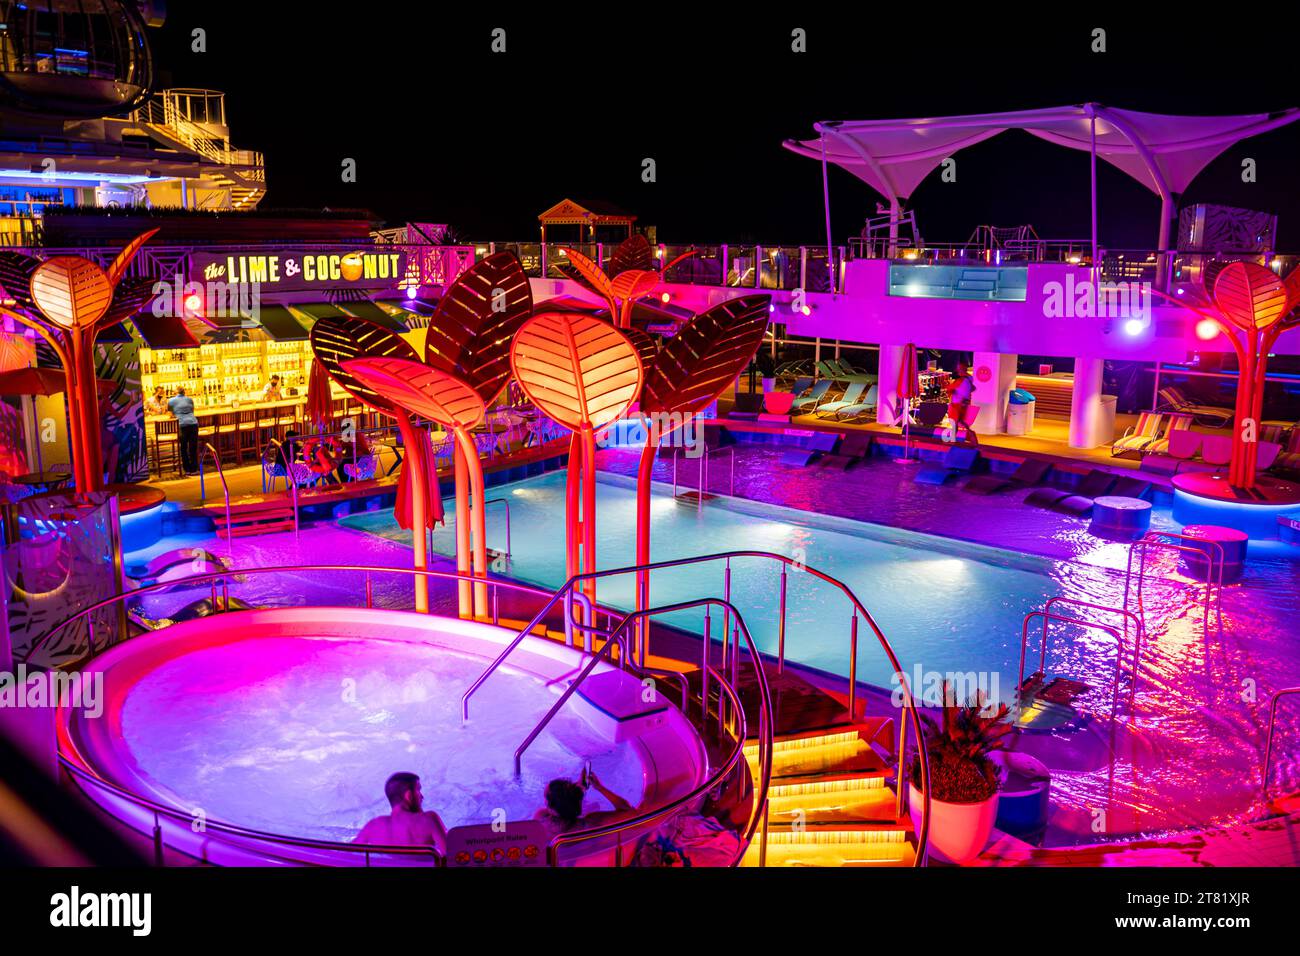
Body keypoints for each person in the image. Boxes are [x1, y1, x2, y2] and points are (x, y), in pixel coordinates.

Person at [354, 772, 448, 856]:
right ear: (409, 796)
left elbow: (346, 854)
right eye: (418, 790)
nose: (422, 796)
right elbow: (451, 856)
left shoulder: (373, 826)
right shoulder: (429, 819)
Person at [535, 767, 633, 837]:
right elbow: (627, 810)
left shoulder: (541, 819)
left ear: (552, 809)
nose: (544, 802)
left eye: (546, 799)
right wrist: (600, 787)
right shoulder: (588, 825)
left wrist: (578, 789)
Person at [168, 386, 199, 475]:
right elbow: (192, 411)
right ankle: (194, 469)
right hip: (193, 423)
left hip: (182, 425)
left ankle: (187, 469)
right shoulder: (190, 399)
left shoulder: (171, 401)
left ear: (175, 393)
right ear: (184, 392)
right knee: (193, 447)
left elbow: (170, 414)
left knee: (184, 448)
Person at [944, 361, 976, 442]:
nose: (957, 370)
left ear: (962, 369)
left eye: (959, 369)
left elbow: (949, 388)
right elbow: (973, 388)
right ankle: (969, 433)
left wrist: (947, 385)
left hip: (956, 403)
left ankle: (953, 440)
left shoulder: (960, 380)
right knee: (960, 421)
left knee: (954, 422)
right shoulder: (970, 378)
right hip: (965, 402)